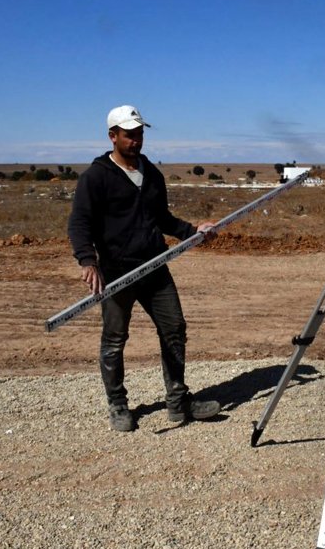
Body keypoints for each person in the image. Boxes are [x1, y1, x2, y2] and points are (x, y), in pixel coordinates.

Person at [68, 105, 220, 432]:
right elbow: (79, 223)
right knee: (114, 339)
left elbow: (161, 218)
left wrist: (192, 231)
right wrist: (87, 261)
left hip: (155, 266)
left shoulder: (151, 173)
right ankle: (118, 405)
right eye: (129, 135)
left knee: (174, 329)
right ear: (113, 136)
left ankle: (178, 402)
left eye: (139, 134)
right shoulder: (95, 177)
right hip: (116, 272)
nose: (136, 140)